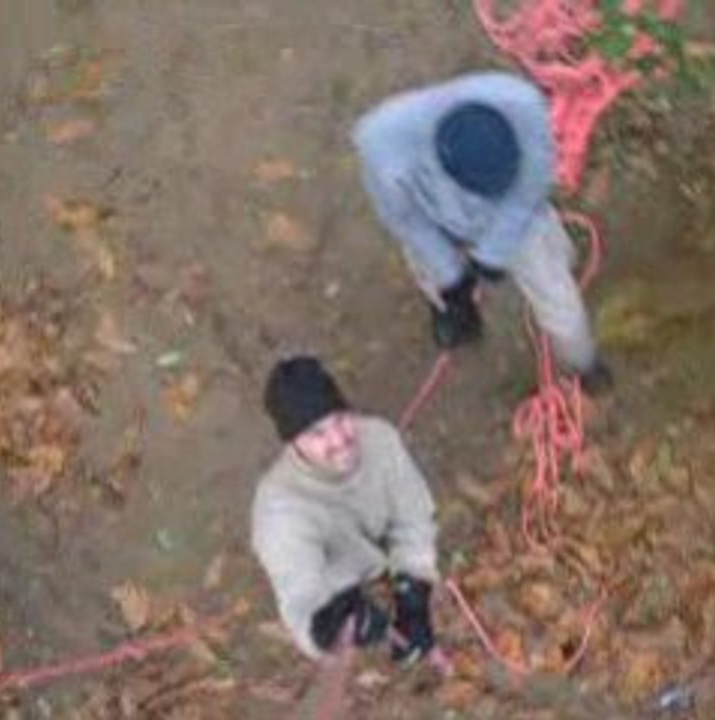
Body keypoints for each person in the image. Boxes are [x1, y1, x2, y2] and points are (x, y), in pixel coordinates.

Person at [353, 71, 612, 392]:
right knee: (430, 267)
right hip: (433, 211)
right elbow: (408, 222)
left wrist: (492, 254)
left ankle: (581, 365)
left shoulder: (522, 103)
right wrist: (453, 280)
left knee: (555, 290)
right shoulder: (382, 148)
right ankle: (453, 312)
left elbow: (534, 182)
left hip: (517, 213)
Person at [251, 356, 439, 664]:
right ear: (293, 442)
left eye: (340, 419)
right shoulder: (280, 513)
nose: (339, 440)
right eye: (317, 433)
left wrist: (413, 589)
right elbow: (300, 599)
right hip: (337, 587)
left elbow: (414, 517)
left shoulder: (379, 438)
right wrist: (328, 627)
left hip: (376, 558)